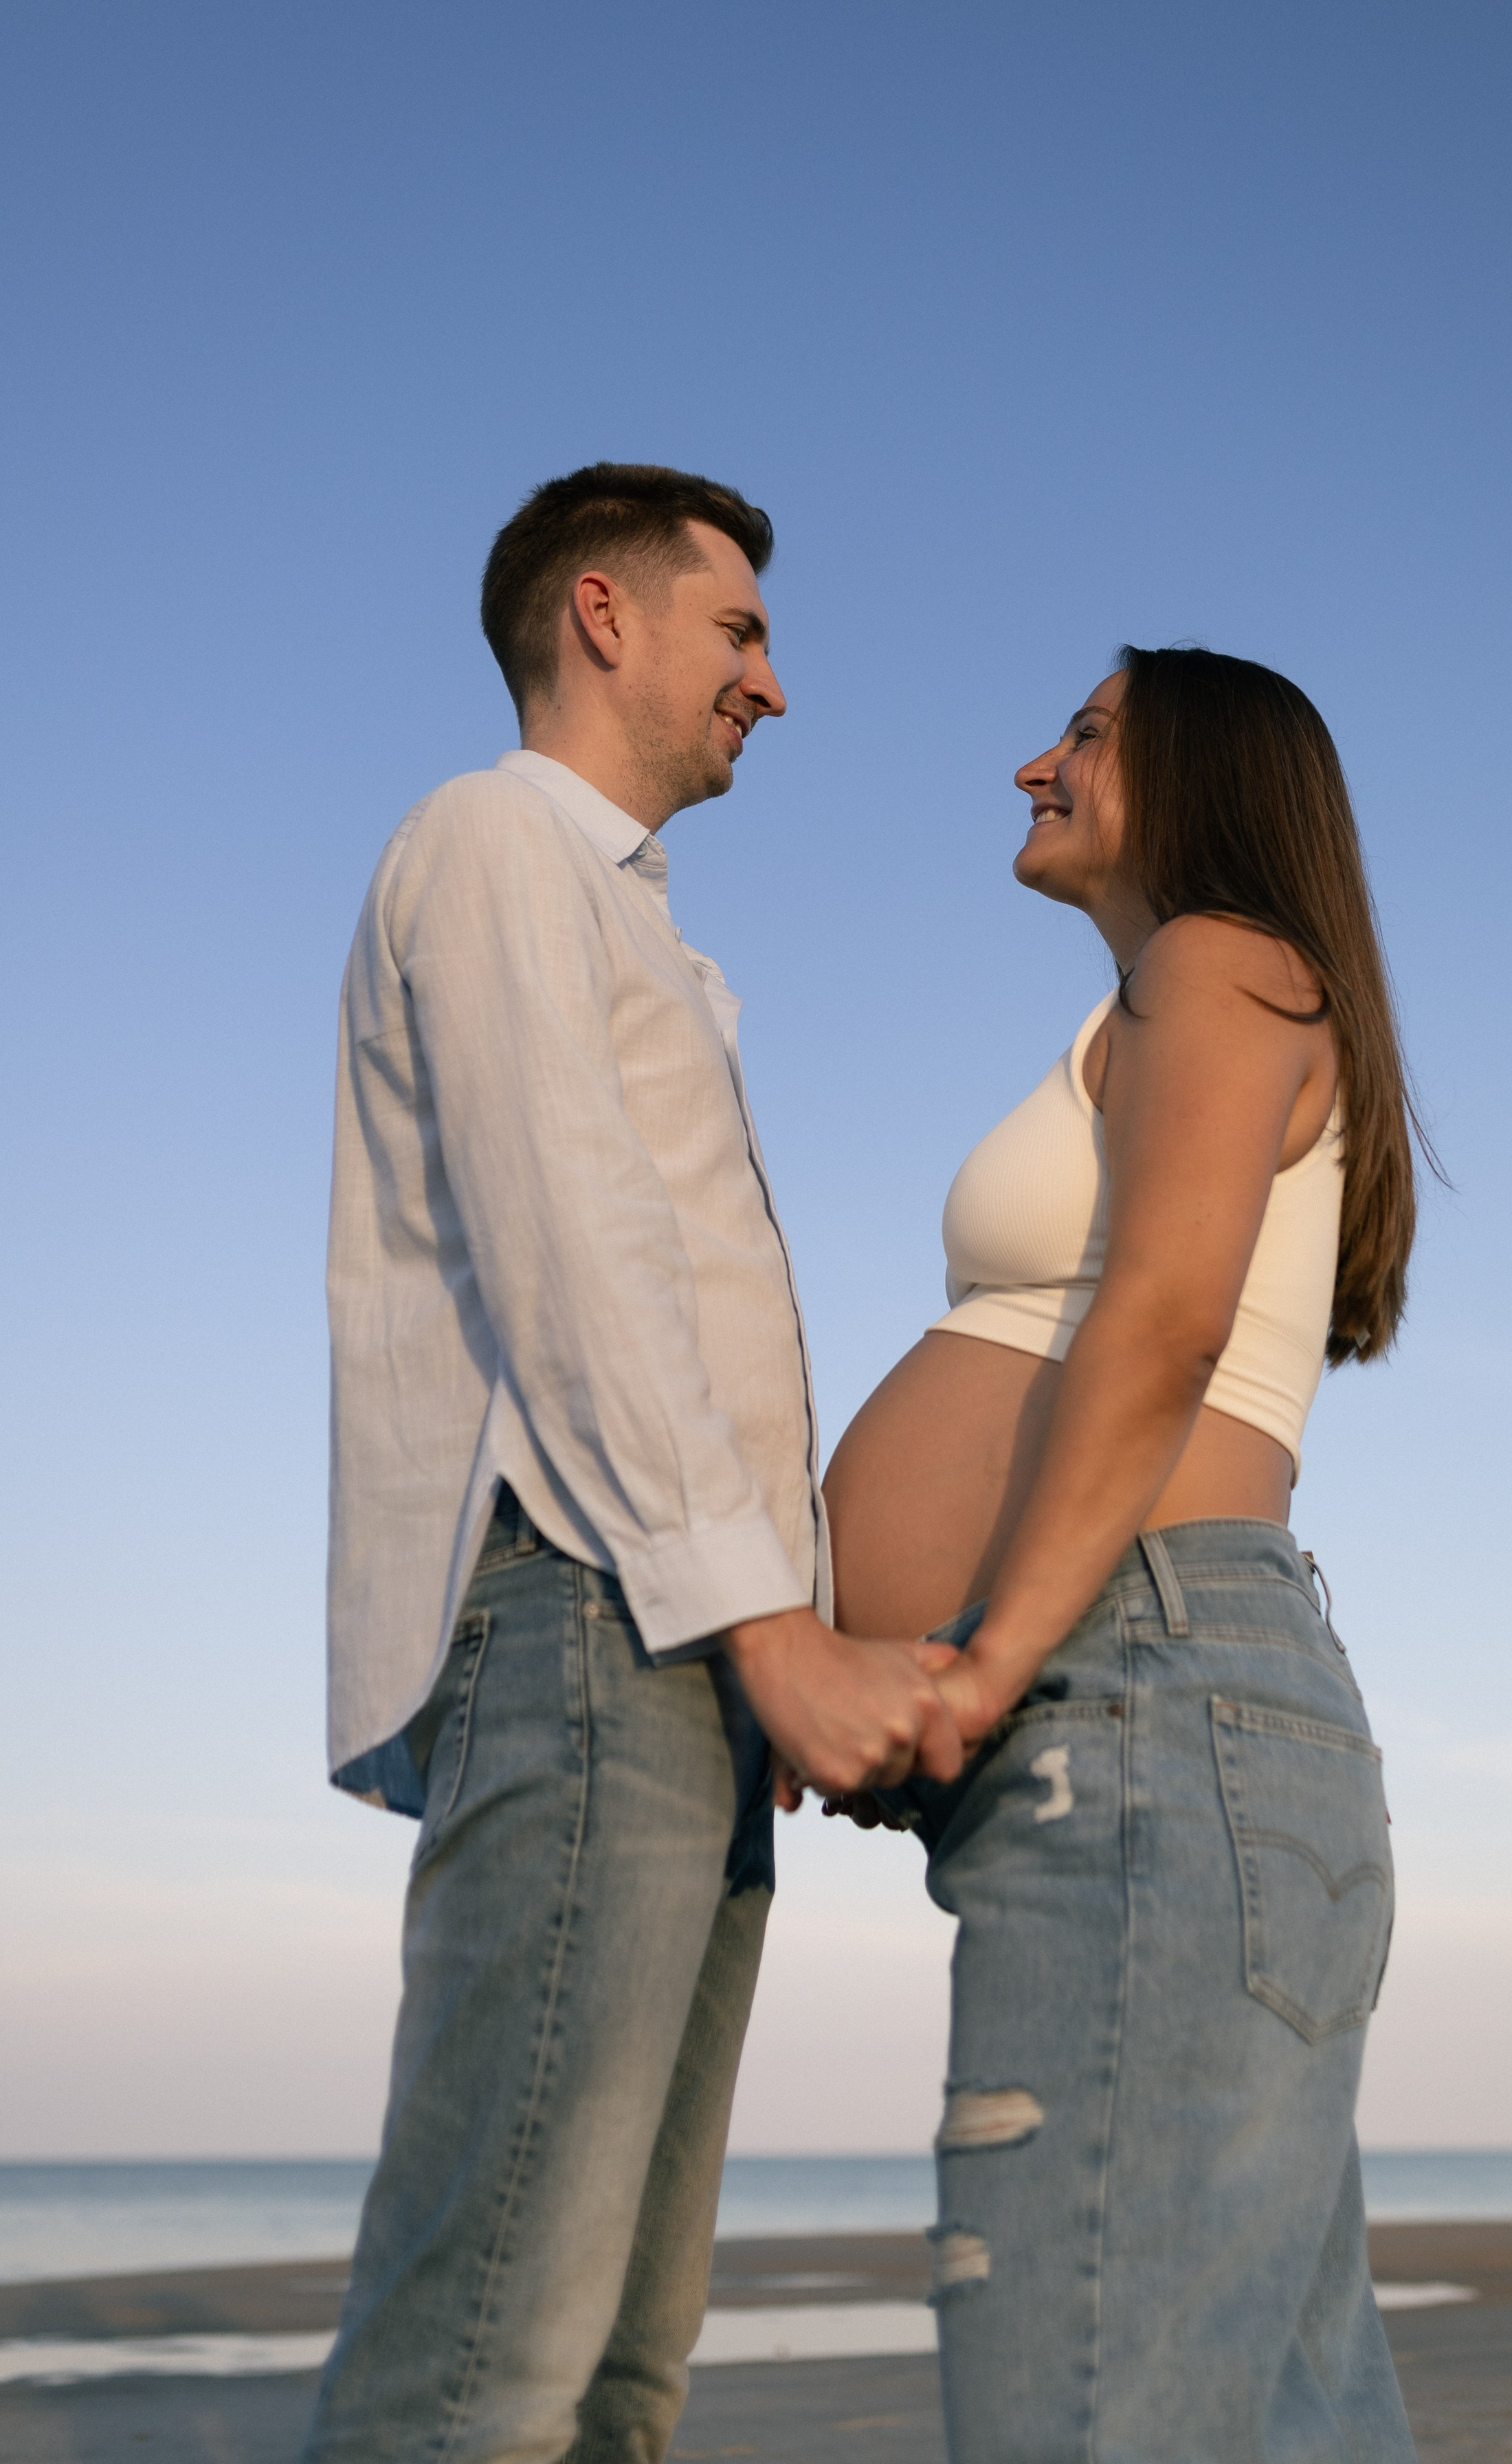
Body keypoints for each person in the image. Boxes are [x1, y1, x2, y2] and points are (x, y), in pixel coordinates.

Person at [305, 462, 961, 2464]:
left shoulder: (632, 923)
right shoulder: (497, 842)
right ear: (605, 615)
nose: (774, 682)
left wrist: (755, 1630)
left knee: (615, 2370)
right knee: (491, 2343)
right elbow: (578, 1265)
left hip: (669, 1649)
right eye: (741, 630)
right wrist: (771, 1628)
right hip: (602, 1620)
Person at [822, 648, 1423, 2461]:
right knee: (1279, 2418)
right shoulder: (1198, 1003)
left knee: (1085, 2412)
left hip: (1141, 1708)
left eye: (1088, 733)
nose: (1036, 761)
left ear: (1211, 781)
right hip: (1178, 1724)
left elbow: (1157, 1326)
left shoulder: (1216, 962)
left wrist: (991, 1653)